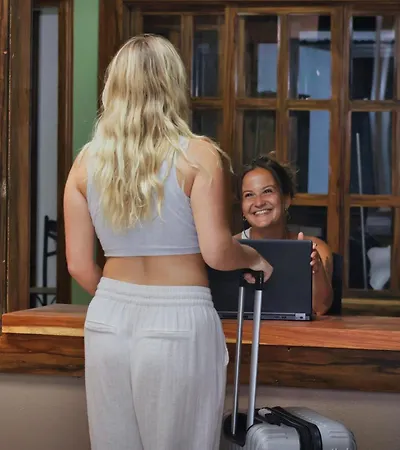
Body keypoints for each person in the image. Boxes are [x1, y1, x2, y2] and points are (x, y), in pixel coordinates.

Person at [63, 34, 272, 450]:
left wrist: (123, 298)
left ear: (114, 87)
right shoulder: (198, 155)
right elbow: (218, 252)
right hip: (178, 317)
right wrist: (254, 258)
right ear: (173, 84)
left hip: (107, 318)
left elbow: (79, 266)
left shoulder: (85, 163)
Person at [235, 155, 333, 316]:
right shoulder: (230, 248)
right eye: (249, 195)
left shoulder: (315, 249)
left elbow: (320, 308)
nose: (259, 202)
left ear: (286, 200)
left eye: (267, 191)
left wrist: (315, 269)